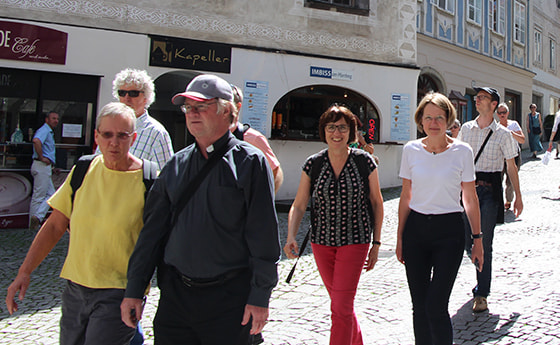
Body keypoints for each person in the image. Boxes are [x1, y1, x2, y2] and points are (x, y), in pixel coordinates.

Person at [121, 74, 280, 345]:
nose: (192, 114)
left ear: (225, 111)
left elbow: (263, 236)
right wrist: (134, 289)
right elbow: (152, 233)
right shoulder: (176, 165)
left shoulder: (249, 163)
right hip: (176, 298)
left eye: (200, 107)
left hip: (229, 299)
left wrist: (259, 297)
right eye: (187, 108)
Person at [6, 102, 154, 345]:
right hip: (76, 289)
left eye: (122, 135)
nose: (113, 142)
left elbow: (156, 242)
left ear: (133, 138)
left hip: (120, 292)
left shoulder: (148, 180)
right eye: (107, 135)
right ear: (96, 136)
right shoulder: (83, 171)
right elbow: (55, 226)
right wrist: (24, 272)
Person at [284, 105, 384, 345]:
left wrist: (377, 243)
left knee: (340, 307)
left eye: (342, 127)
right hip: (322, 243)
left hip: (355, 241)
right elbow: (299, 204)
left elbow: (377, 202)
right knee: (342, 306)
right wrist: (290, 236)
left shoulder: (364, 161)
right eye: (331, 127)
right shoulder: (313, 164)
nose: (336, 133)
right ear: (324, 131)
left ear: (351, 132)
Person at [396, 92, 484, 345]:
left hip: (450, 232)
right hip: (416, 230)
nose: (433, 123)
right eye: (428, 118)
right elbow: (406, 195)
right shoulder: (411, 150)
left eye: (439, 118)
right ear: (420, 121)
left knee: (436, 305)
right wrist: (400, 237)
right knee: (419, 306)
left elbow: (470, 197)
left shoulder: (462, 151)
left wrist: (477, 239)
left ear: (448, 121)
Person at [458, 86, 523, 313]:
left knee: (484, 243)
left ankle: (482, 293)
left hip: (489, 194)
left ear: (494, 104)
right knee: (466, 242)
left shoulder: (504, 134)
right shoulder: (466, 129)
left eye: (483, 97)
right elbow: (456, 158)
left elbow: (511, 167)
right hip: (466, 191)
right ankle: (480, 266)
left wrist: (518, 197)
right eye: (477, 97)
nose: (477, 100)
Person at [112, 68, 174, 170]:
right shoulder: (110, 127)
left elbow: (165, 177)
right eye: (122, 93)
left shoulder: (156, 133)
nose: (127, 98)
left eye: (133, 93)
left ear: (146, 98)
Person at [231, 84, 284, 194]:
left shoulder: (253, 138)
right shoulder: (208, 137)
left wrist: (262, 202)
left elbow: (275, 171)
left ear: (237, 107)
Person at [29, 111, 59, 231]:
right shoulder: (45, 130)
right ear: (47, 119)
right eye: (53, 118)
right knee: (39, 196)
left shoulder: (48, 131)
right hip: (41, 165)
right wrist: (41, 157)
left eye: (57, 119)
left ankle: (37, 218)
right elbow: (36, 141)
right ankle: (34, 222)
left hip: (44, 167)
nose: (56, 121)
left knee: (51, 194)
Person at [496, 103, 525, 210]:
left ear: (507, 113)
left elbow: (522, 139)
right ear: (497, 114)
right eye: (499, 113)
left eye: (504, 112)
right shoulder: (496, 127)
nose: (502, 115)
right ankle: (499, 201)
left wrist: (511, 133)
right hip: (500, 157)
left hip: (514, 155)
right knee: (498, 179)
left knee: (510, 181)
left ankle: (508, 200)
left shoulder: (514, 124)